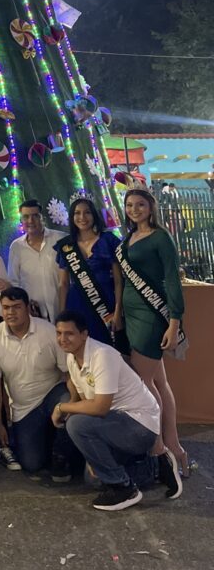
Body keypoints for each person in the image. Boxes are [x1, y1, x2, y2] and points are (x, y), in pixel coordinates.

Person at [53, 310, 180, 509]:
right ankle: (155, 467)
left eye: (69, 333)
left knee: (76, 423)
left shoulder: (102, 355)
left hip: (140, 425)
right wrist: (91, 457)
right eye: (59, 333)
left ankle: (124, 488)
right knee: (94, 480)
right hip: (116, 423)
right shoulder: (72, 358)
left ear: (84, 334)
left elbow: (99, 407)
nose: (63, 339)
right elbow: (87, 400)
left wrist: (61, 407)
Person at [117, 188, 188, 478]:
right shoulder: (127, 239)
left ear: (151, 207)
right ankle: (174, 445)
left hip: (151, 314)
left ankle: (157, 449)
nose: (135, 209)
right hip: (132, 313)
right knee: (160, 380)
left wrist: (174, 322)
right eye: (130, 205)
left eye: (140, 205)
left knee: (143, 383)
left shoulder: (161, 237)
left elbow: (172, 279)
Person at [0, 287, 75, 480]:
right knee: (31, 464)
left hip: (53, 394)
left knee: (68, 404)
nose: (10, 312)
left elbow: (69, 373)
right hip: (24, 409)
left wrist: (75, 403)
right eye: (6, 307)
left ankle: (62, 456)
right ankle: (49, 439)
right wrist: (0, 425)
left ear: (27, 308)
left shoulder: (49, 331)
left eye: (16, 307)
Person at [55, 198, 125, 348]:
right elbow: (63, 284)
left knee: (107, 348)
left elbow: (119, 281)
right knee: (80, 347)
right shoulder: (67, 246)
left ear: (94, 215)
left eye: (87, 213)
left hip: (105, 302)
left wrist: (118, 312)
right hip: (76, 303)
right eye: (77, 213)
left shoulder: (108, 240)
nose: (82, 217)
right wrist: (62, 316)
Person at [8, 200, 66, 321]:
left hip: (63, 310)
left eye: (35, 216)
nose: (30, 221)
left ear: (42, 218)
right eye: (26, 217)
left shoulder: (60, 240)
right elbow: (14, 282)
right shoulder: (16, 247)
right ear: (21, 220)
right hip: (33, 316)